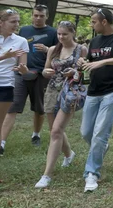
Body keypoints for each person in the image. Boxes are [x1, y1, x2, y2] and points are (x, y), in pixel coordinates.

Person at [78, 8, 113, 192]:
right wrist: (82, 63)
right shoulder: (95, 40)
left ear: (104, 22)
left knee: (99, 133)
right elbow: (90, 61)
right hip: (93, 92)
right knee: (86, 132)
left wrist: (104, 61)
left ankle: (91, 174)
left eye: (94, 21)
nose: (92, 25)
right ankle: (102, 147)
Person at [35, 21, 88, 188]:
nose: (61, 37)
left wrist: (75, 71)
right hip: (52, 91)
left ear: (72, 33)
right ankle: (69, 154)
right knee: (54, 130)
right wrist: (45, 72)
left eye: (64, 34)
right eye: (59, 34)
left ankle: (46, 175)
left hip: (70, 92)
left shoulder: (81, 49)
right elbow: (45, 71)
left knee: (56, 131)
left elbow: (85, 72)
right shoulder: (53, 49)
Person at [1, 4, 57, 154]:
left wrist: (47, 50)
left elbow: (59, 53)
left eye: (41, 16)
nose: (38, 18)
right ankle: (2, 142)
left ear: (47, 16)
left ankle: (36, 134)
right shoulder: (24, 30)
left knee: (39, 108)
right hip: (20, 74)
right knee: (13, 107)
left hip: (40, 74)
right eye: (35, 15)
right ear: (32, 15)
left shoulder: (53, 32)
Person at [0, 9, 29, 157]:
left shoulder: (21, 41)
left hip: (6, 84)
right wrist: (4, 56)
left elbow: (24, 68)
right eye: (13, 21)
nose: (16, 24)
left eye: (18, 21)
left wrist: (22, 69)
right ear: (1, 22)